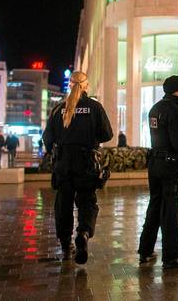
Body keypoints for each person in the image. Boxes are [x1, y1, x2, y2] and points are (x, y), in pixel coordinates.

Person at [42, 71, 113, 263]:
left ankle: (66, 245)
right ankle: (83, 233)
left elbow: (47, 139)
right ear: (86, 86)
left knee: (63, 204)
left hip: (63, 163)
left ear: (70, 85)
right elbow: (107, 135)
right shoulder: (95, 107)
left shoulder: (58, 110)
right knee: (87, 201)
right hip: (86, 162)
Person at [138, 76, 178, 269]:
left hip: (155, 163)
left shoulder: (156, 108)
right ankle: (171, 256)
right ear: (177, 90)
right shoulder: (174, 112)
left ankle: (145, 250)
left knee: (154, 206)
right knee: (171, 211)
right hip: (170, 166)